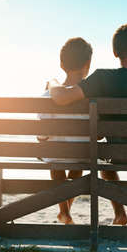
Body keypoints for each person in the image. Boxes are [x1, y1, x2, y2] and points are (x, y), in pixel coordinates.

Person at [47, 24, 127, 225]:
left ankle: (119, 213)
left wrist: (51, 82)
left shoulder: (102, 78)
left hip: (116, 152)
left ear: (114, 52)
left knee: (106, 161)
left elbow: (62, 97)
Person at [38, 37, 93, 225]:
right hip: (82, 155)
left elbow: (42, 135)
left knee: (56, 159)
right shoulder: (92, 98)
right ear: (88, 64)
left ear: (62, 64)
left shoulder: (47, 96)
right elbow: (99, 134)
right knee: (77, 161)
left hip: (56, 156)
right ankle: (65, 212)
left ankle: (65, 212)